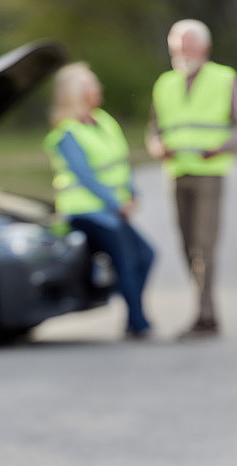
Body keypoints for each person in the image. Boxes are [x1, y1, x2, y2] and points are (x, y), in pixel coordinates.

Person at [147, 19, 237, 339]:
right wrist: (156, 147)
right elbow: (154, 129)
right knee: (186, 246)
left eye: (188, 46)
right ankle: (204, 310)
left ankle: (205, 316)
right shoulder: (164, 83)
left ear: (205, 48)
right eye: (176, 47)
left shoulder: (225, 78)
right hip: (177, 173)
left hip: (210, 173)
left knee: (203, 247)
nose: (182, 53)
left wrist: (222, 146)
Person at [44, 62, 154, 338]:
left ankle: (130, 314)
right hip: (86, 212)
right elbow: (86, 176)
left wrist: (132, 194)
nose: (98, 88)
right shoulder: (67, 133)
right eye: (91, 84)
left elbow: (121, 161)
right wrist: (117, 204)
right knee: (127, 260)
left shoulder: (104, 120)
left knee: (146, 255)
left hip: (113, 209)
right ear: (75, 93)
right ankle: (139, 323)